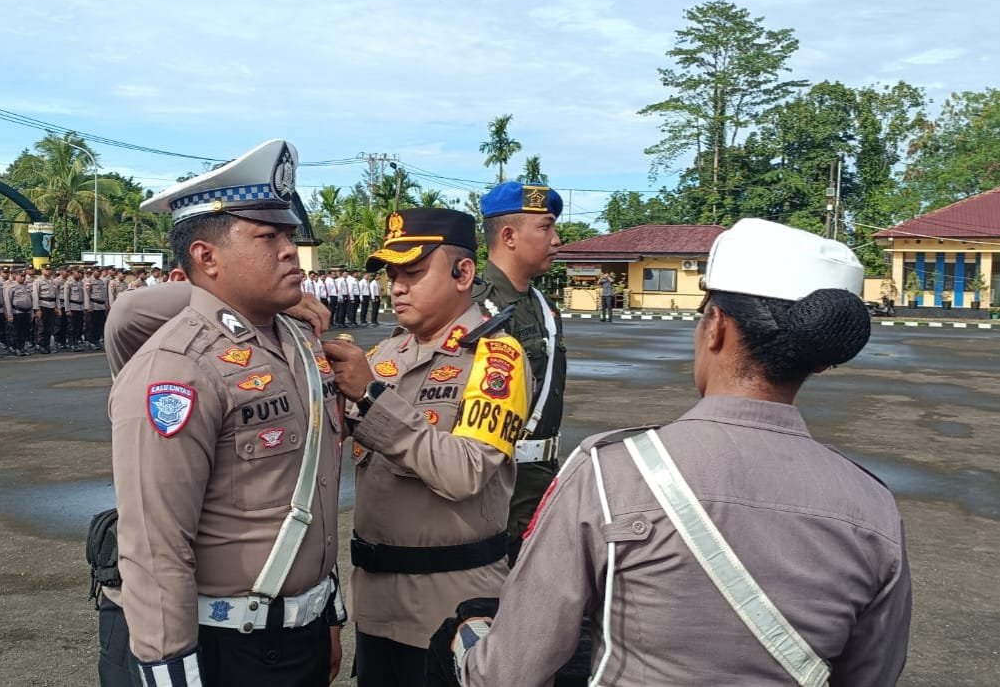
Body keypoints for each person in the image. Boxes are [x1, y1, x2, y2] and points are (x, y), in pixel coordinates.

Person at [447, 219, 911, 686]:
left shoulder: (611, 474)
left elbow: (507, 673)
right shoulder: (872, 507)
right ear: (820, 361)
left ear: (716, 328)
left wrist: (468, 638)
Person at [108, 140, 345, 687]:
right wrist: (172, 673)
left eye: (289, 235)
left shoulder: (296, 342)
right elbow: (154, 547)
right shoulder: (176, 368)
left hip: (303, 633)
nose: (290, 251)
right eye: (267, 237)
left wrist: (327, 611)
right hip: (229, 648)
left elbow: (312, 492)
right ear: (206, 257)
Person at [320, 209, 529, 687]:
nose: (397, 288)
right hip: (376, 608)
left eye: (413, 273)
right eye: (392, 276)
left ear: (463, 273)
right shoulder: (382, 356)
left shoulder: (496, 359)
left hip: (450, 610)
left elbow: (465, 472)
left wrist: (371, 399)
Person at [472, 181, 569, 564]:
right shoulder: (475, 308)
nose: (556, 239)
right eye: (546, 227)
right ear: (509, 236)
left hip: (540, 480)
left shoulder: (542, 306)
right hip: (499, 484)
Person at [5, 269, 34, 356]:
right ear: (16, 276)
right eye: (21, 276)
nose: (23, 278)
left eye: (24, 276)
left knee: (25, 331)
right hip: (17, 312)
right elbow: (8, 301)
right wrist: (9, 314)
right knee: (16, 332)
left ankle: (22, 348)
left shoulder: (26, 287)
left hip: (27, 312)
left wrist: (32, 313)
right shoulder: (11, 287)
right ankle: (16, 348)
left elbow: (31, 300)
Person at [33, 264, 60, 354]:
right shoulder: (38, 281)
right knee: (42, 327)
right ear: (42, 270)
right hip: (42, 306)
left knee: (50, 327)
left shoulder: (53, 281)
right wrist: (37, 309)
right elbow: (35, 295)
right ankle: (41, 345)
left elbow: (56, 296)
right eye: (46, 269)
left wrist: (58, 307)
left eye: (49, 269)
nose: (48, 271)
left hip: (52, 306)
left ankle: (47, 344)